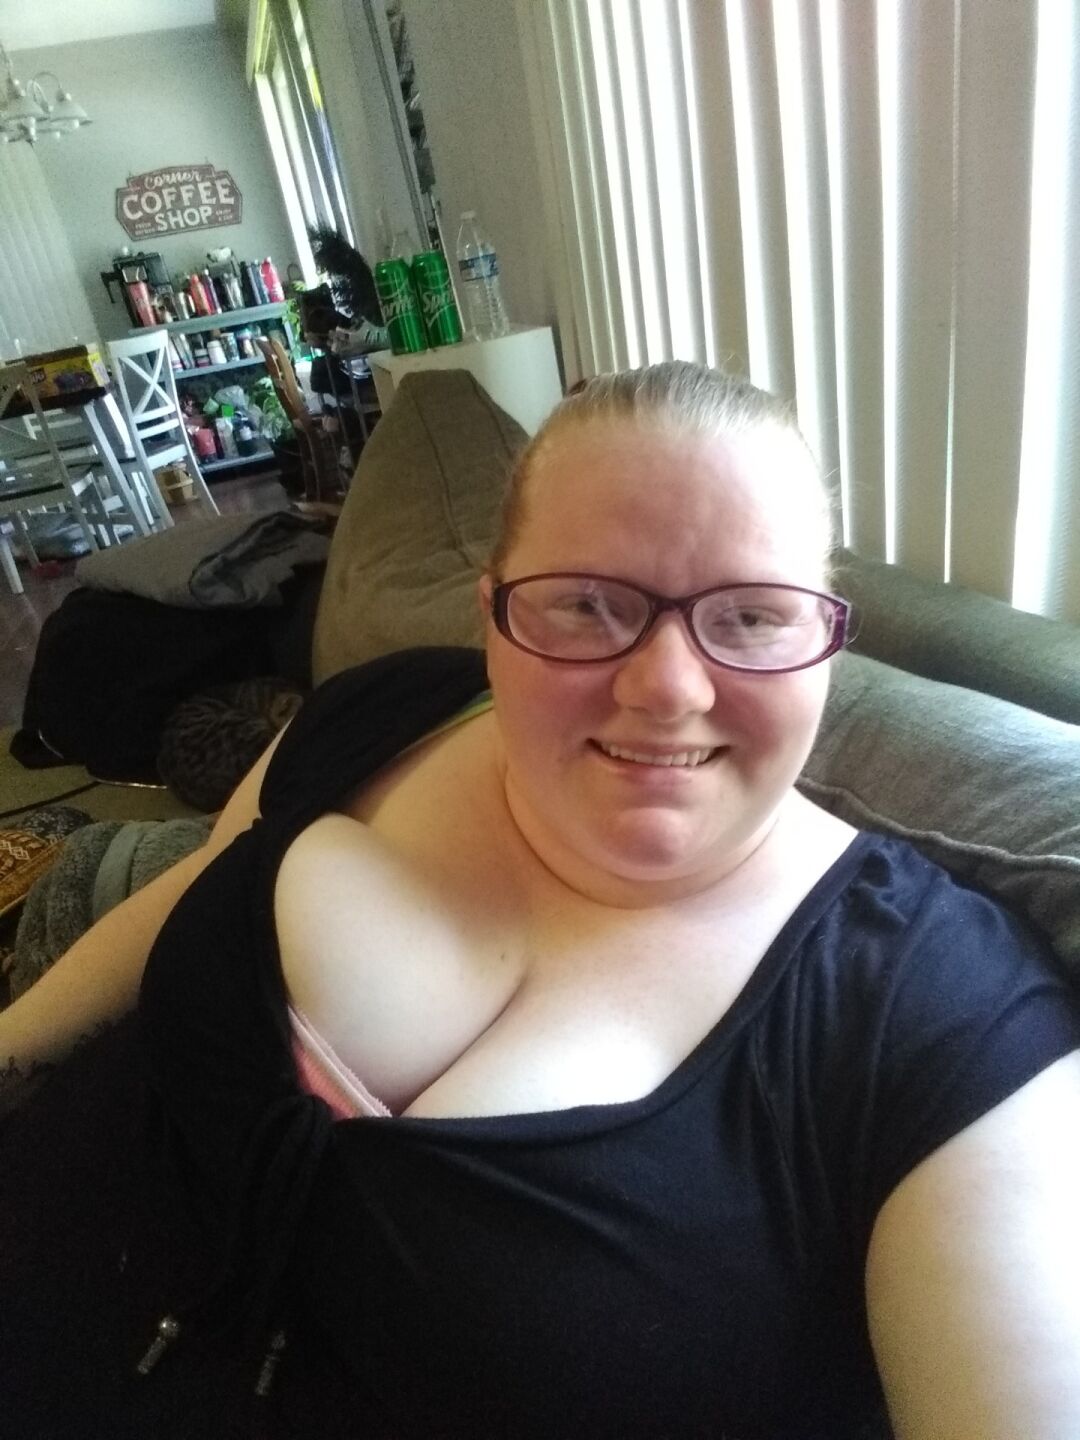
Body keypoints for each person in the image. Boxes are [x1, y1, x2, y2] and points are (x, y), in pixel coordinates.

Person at [2, 362, 1079, 1439]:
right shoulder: (383, 713)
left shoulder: (941, 1012)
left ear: (828, 642)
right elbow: (192, 889)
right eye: (587, 604)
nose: (668, 688)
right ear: (493, 614)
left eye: (752, 616)